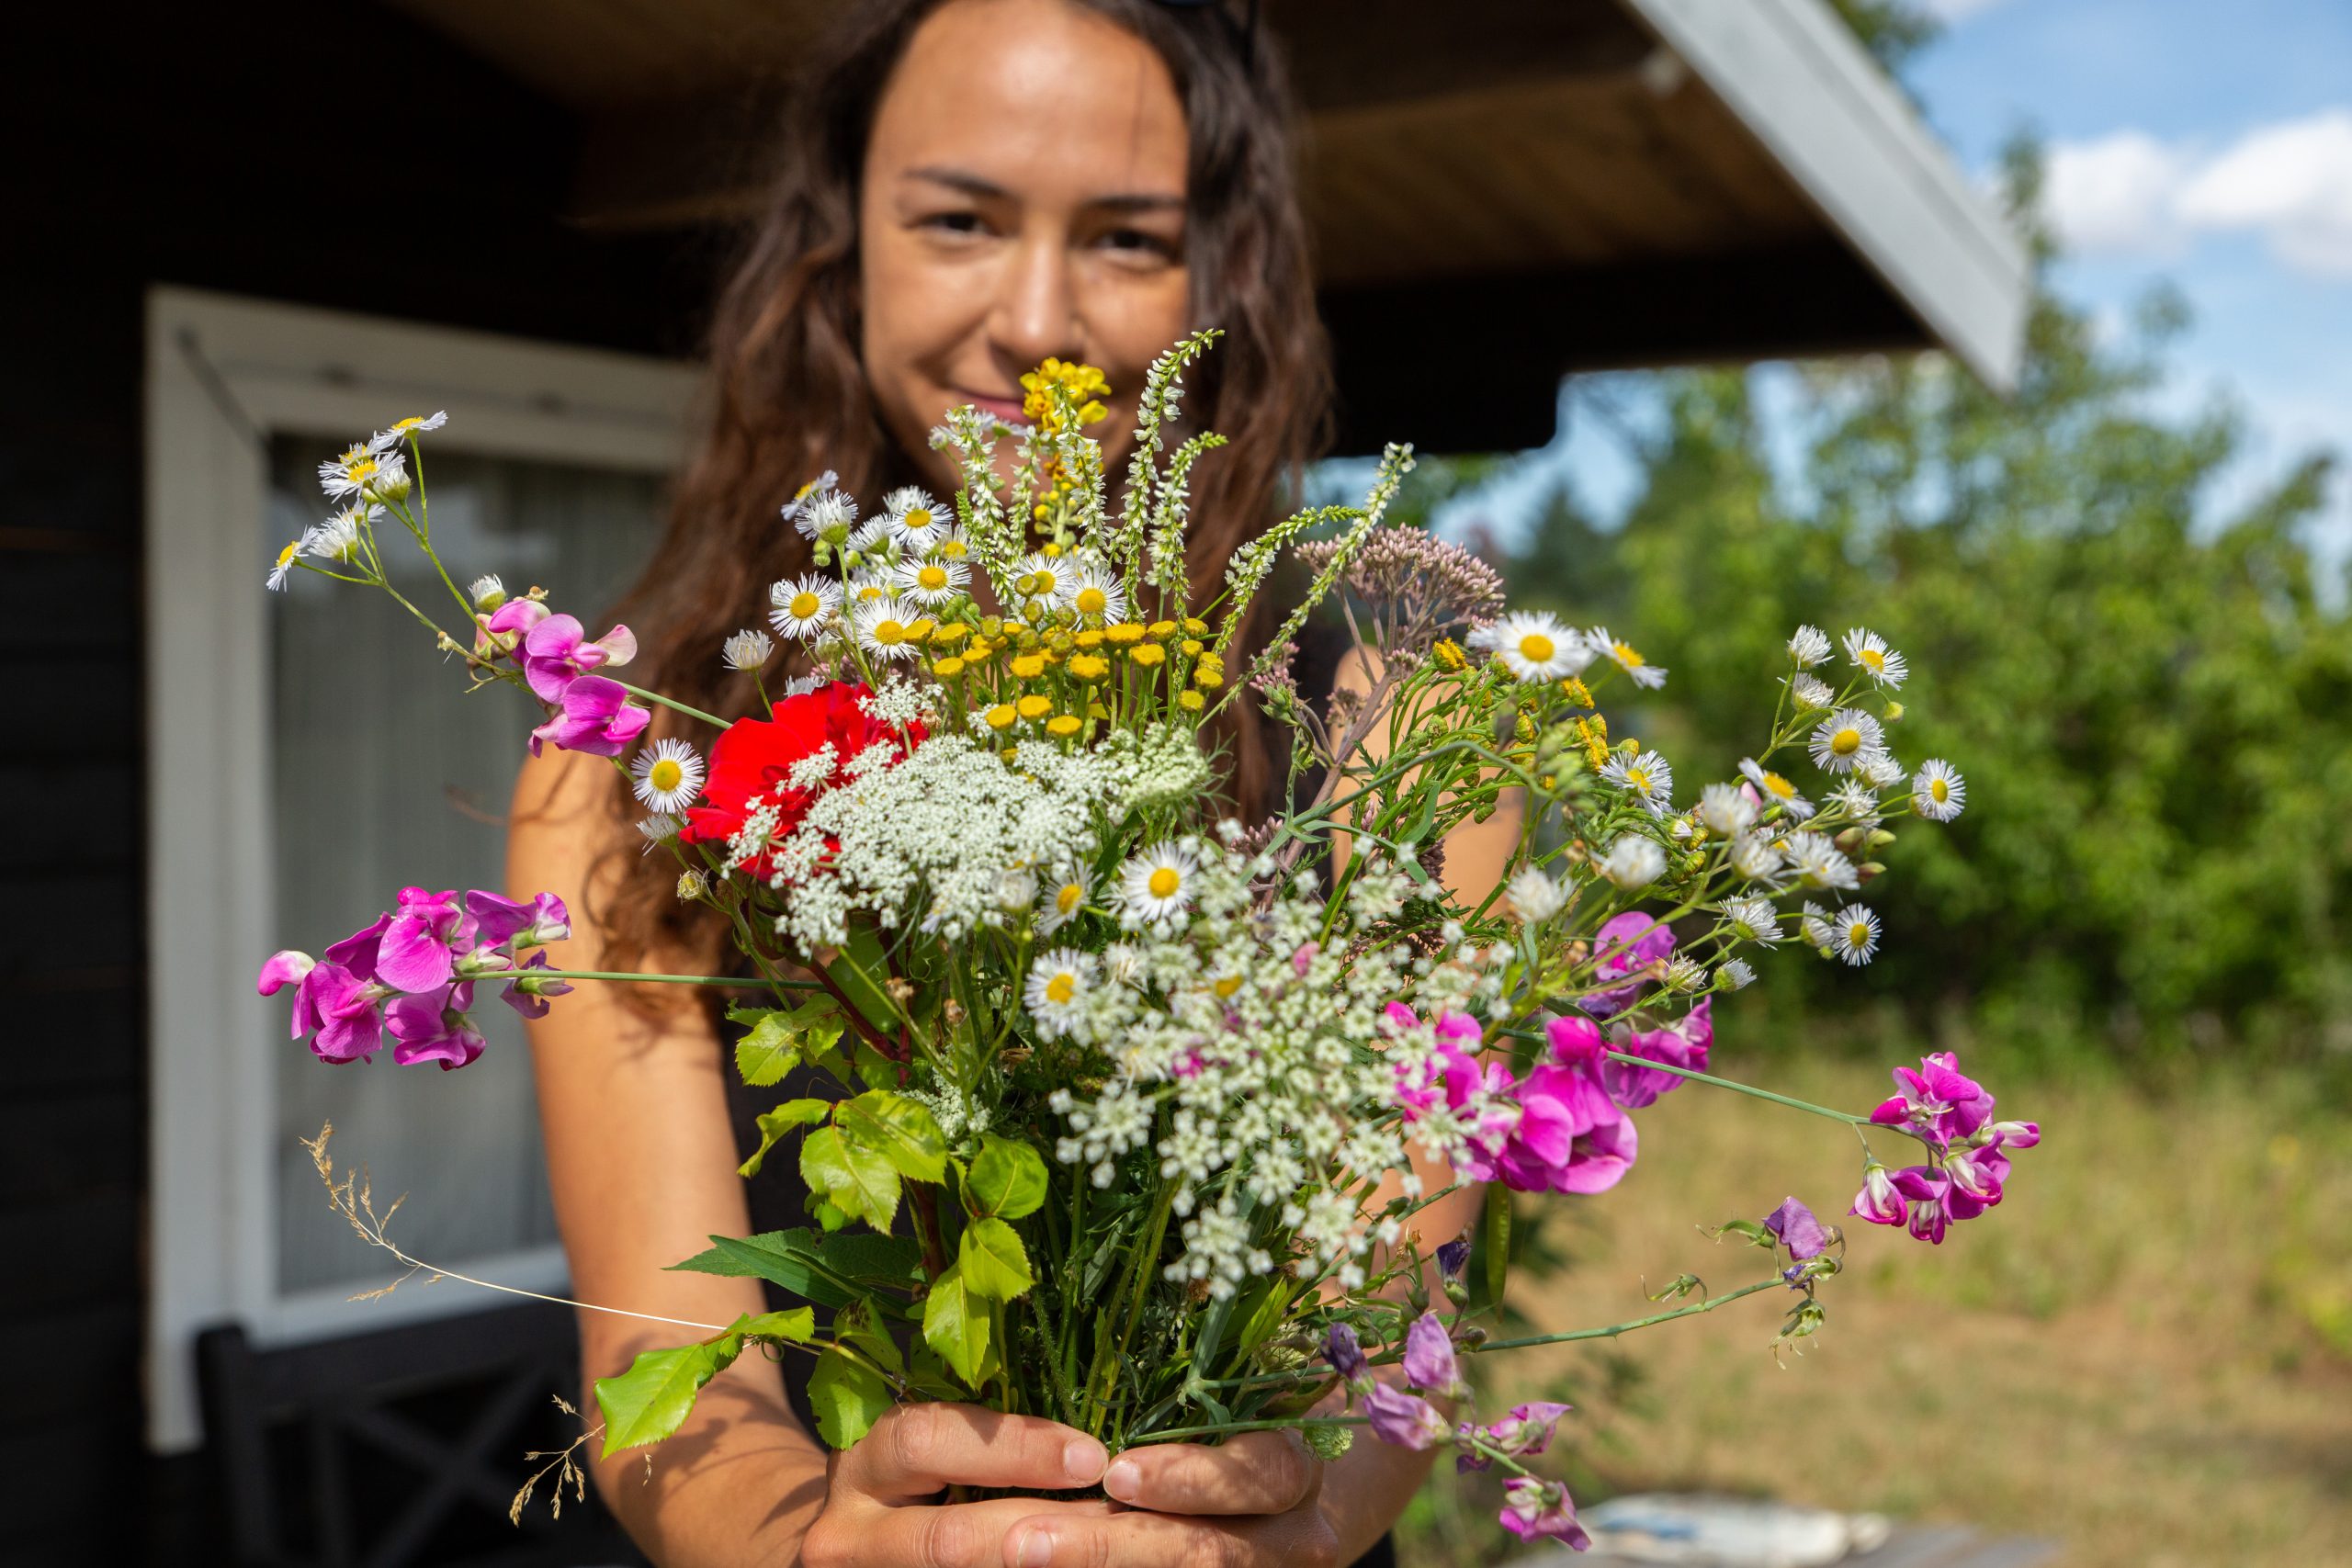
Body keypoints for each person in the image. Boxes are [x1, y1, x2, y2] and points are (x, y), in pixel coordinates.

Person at [510, 3, 1502, 1563]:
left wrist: (1293, 1517)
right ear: (842, 246)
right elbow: (660, 1347)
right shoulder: (632, 765)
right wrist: (810, 1545)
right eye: (961, 220)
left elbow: (1397, 1305)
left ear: (1218, 281)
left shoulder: (1387, 717)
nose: (1038, 319)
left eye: (1123, 240)